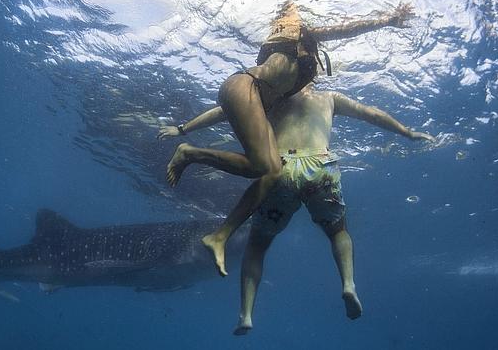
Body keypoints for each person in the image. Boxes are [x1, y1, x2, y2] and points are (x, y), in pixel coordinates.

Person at [161, 2, 416, 276]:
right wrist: (389, 19)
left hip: (239, 89)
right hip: (241, 86)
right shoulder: (298, 39)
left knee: (272, 172)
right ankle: (189, 154)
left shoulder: (279, 84)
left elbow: (224, 110)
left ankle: (219, 236)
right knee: (263, 167)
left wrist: (184, 127)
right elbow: (345, 30)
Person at [161, 83, 435, 335]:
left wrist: (183, 129)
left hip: (282, 168)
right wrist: (406, 132)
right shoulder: (329, 98)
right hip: (321, 166)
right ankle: (348, 285)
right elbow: (371, 113)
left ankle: (246, 314)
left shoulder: (270, 98)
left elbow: (225, 111)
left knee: (257, 246)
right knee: (338, 232)